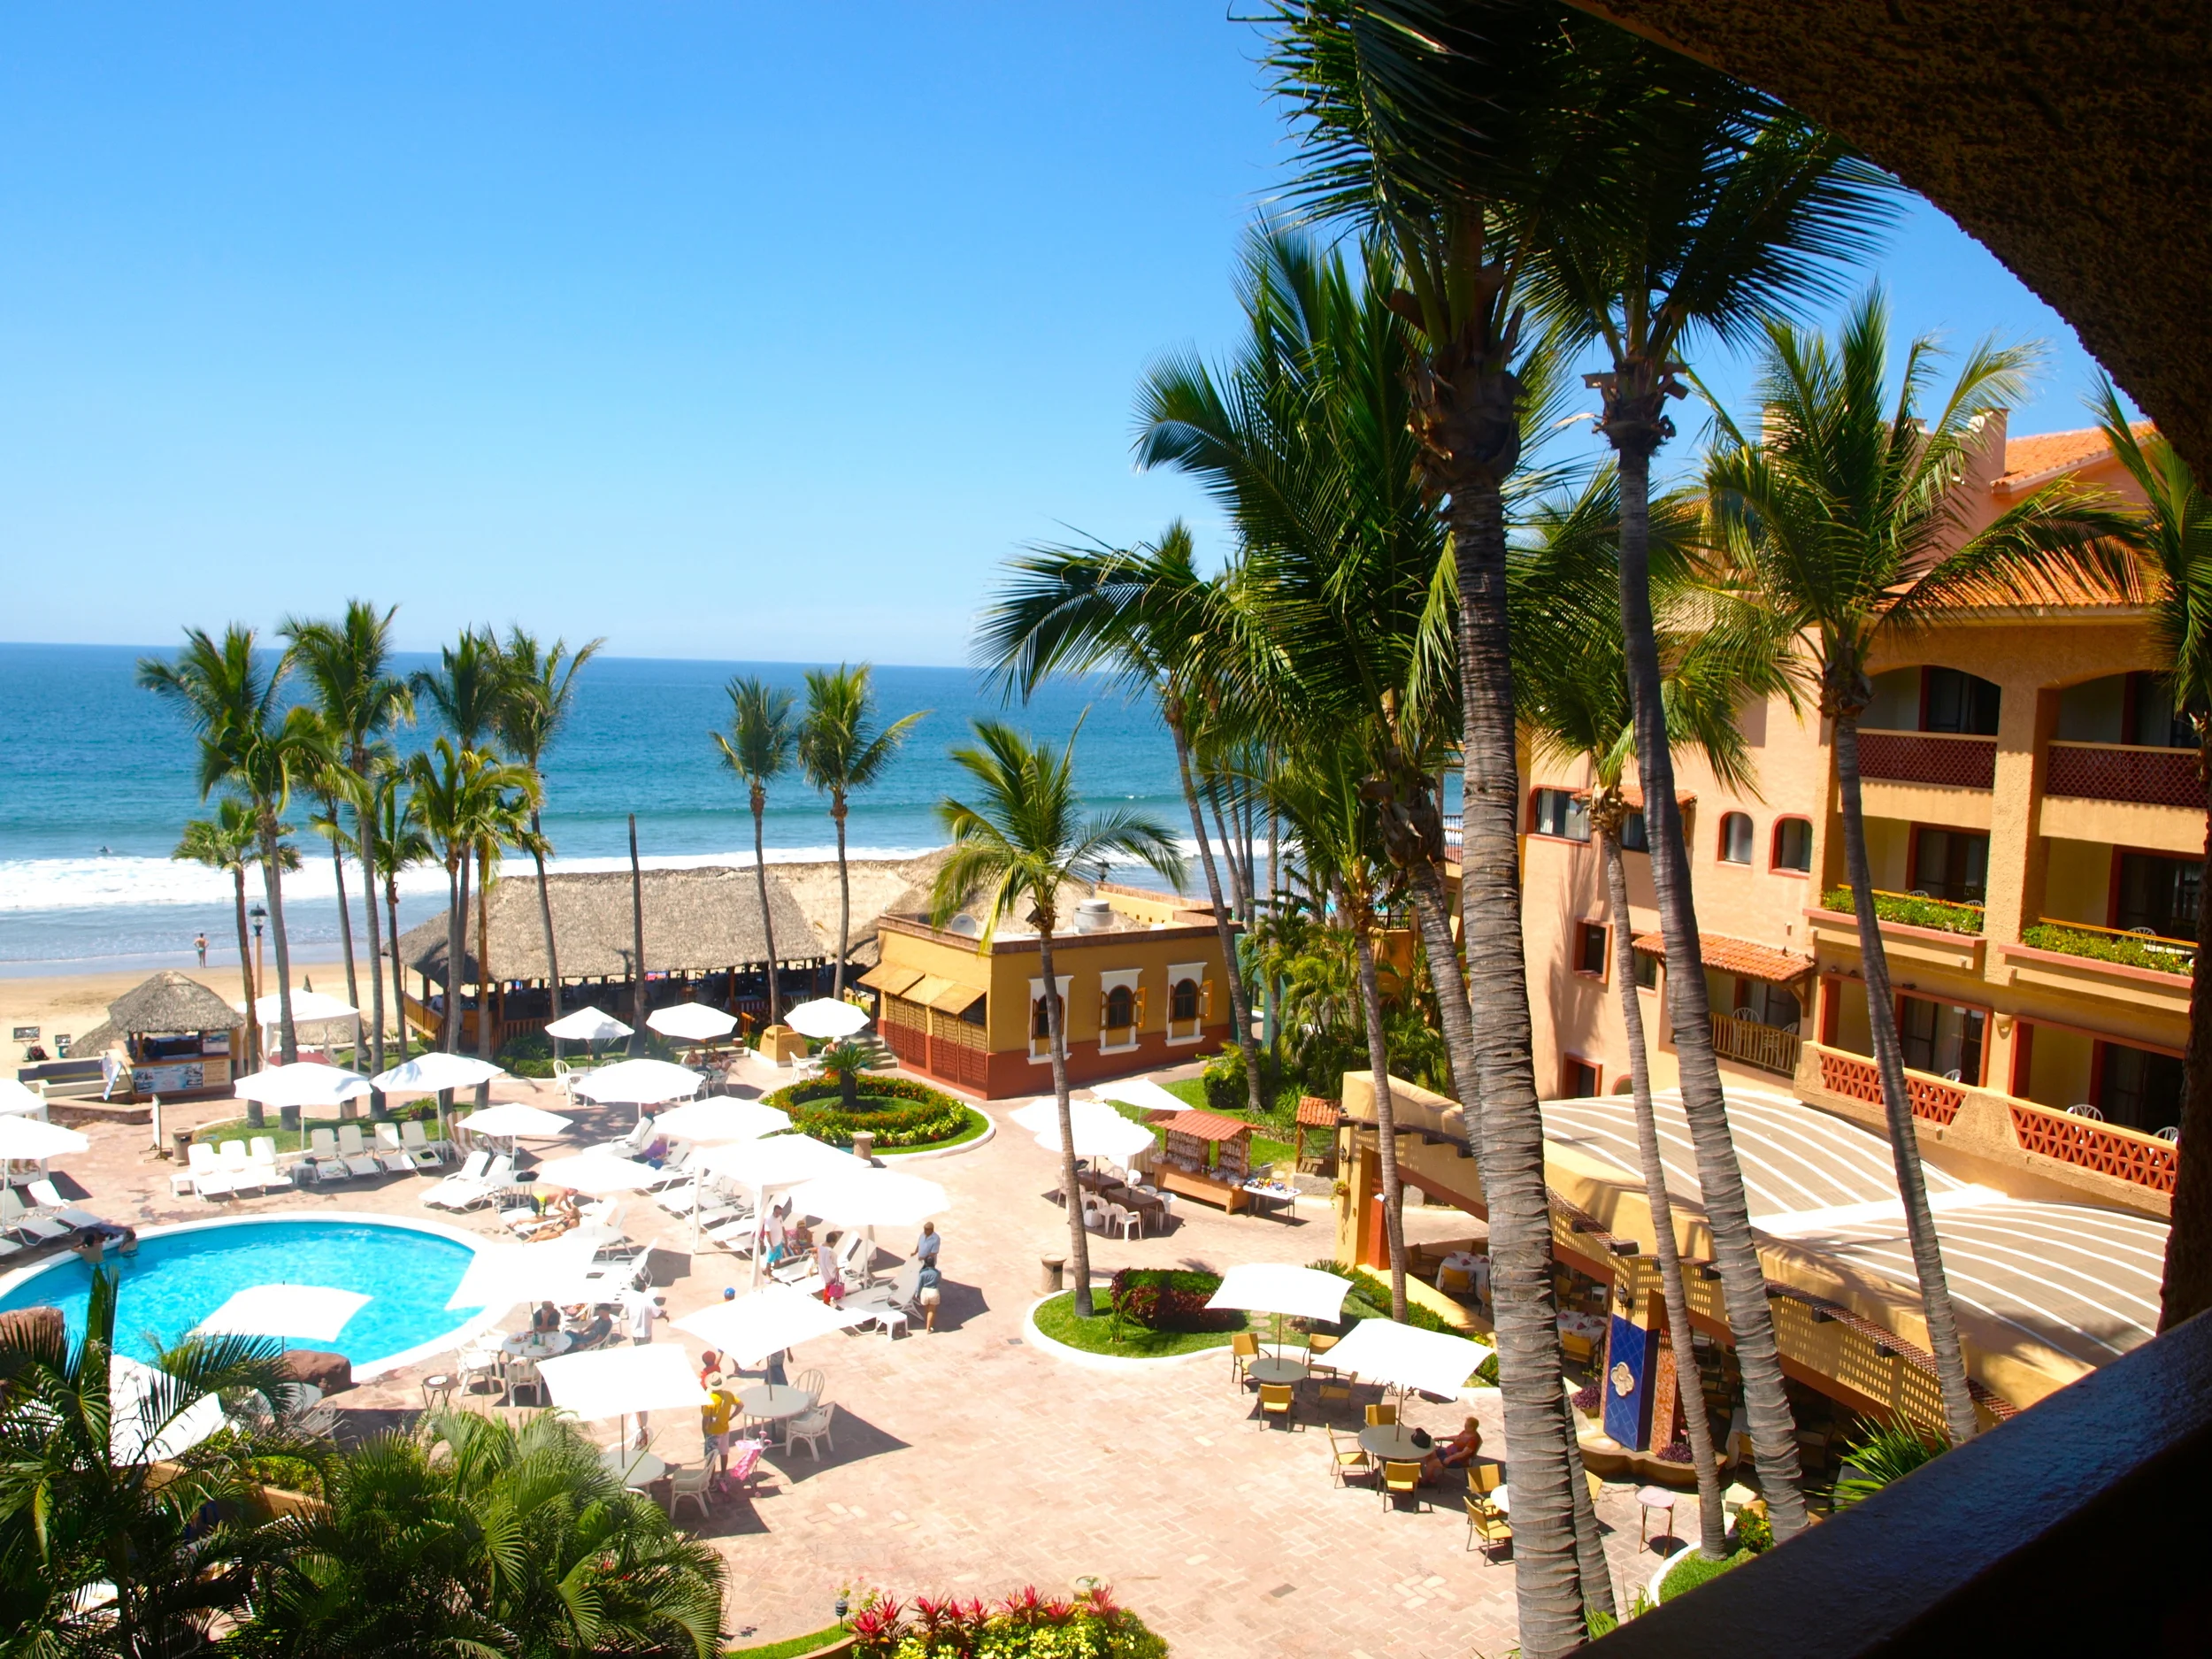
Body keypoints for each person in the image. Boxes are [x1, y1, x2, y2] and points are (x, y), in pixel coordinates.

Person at [699, 1371, 739, 1476]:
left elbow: (705, 1420)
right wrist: (732, 1416)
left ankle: (711, 1482)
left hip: (713, 1432)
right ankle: (722, 1475)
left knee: (711, 1458)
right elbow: (740, 1405)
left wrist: (704, 1432)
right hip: (725, 1429)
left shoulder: (709, 1400)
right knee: (724, 1453)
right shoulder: (728, 1395)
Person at [1423, 1416, 1485, 1481]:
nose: (1464, 1427)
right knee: (1429, 1453)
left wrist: (1450, 1458)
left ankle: (1428, 1481)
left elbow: (1463, 1453)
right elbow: (1457, 1438)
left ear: (1472, 1428)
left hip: (1458, 1460)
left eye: (1466, 1426)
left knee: (1431, 1463)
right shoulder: (1466, 1432)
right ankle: (1430, 1474)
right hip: (1449, 1451)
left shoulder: (1473, 1441)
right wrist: (1442, 1438)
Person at [916, 1258, 942, 1333]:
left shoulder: (922, 1273)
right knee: (932, 1310)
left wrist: (917, 1294)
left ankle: (927, 1323)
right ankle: (929, 1328)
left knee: (927, 1309)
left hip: (924, 1291)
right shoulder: (937, 1272)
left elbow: (919, 1285)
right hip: (933, 1291)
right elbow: (939, 1281)